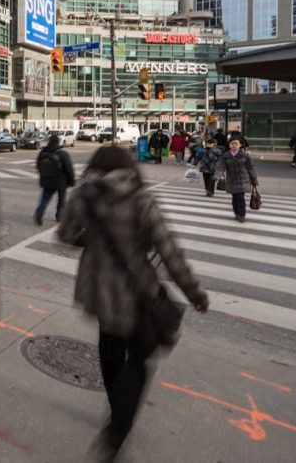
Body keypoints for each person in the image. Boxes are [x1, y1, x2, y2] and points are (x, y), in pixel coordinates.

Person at [56, 145, 208, 459]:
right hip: (136, 293)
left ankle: (115, 410)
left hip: (100, 290)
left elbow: (66, 235)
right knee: (138, 364)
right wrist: (195, 294)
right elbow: (170, 253)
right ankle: (115, 432)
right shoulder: (140, 199)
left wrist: (94, 241)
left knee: (109, 349)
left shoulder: (83, 195)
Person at [34, 134, 76, 226]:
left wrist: (44, 175)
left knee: (45, 198)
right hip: (61, 181)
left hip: (47, 181)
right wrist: (72, 181)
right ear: (58, 142)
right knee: (62, 199)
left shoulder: (43, 152)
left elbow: (38, 166)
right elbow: (69, 169)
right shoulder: (62, 153)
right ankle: (59, 216)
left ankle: (39, 212)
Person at [218, 138, 258, 223]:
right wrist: (217, 175)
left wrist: (254, 179)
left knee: (240, 197)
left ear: (240, 145)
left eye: (236, 143)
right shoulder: (225, 155)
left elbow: (251, 168)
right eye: (232, 143)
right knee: (235, 197)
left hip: (243, 179)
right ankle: (236, 213)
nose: (234, 145)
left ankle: (241, 215)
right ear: (229, 145)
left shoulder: (245, 155)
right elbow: (220, 166)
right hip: (231, 179)